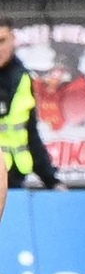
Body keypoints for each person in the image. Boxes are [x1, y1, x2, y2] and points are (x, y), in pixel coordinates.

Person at [0, 16, 62, 193]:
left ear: (13, 39)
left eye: (2, 41)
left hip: (14, 179)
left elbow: (30, 133)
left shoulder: (22, 78)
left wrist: (52, 181)